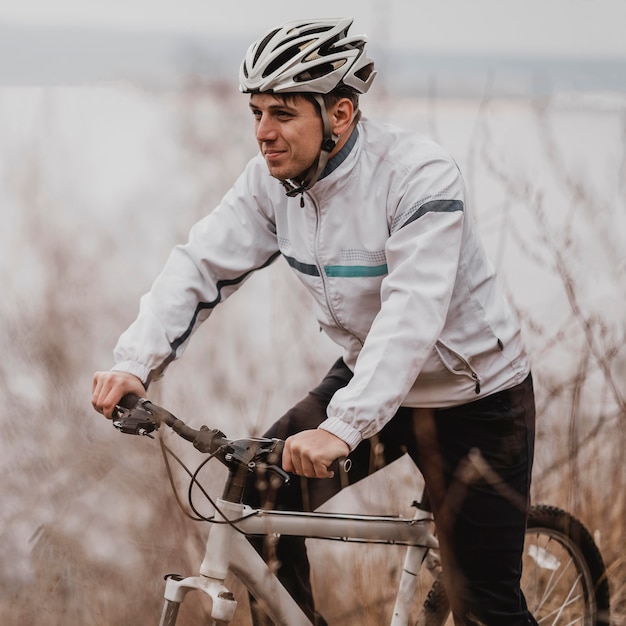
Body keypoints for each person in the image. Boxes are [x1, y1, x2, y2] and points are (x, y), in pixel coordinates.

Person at [92, 17, 538, 626]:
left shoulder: (417, 177)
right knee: (256, 504)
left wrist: (343, 428)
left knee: (485, 607)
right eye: (256, 112)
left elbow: (412, 316)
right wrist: (134, 361)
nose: (263, 133)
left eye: (282, 113)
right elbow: (199, 266)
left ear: (341, 114)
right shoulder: (272, 185)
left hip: (474, 398)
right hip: (367, 377)